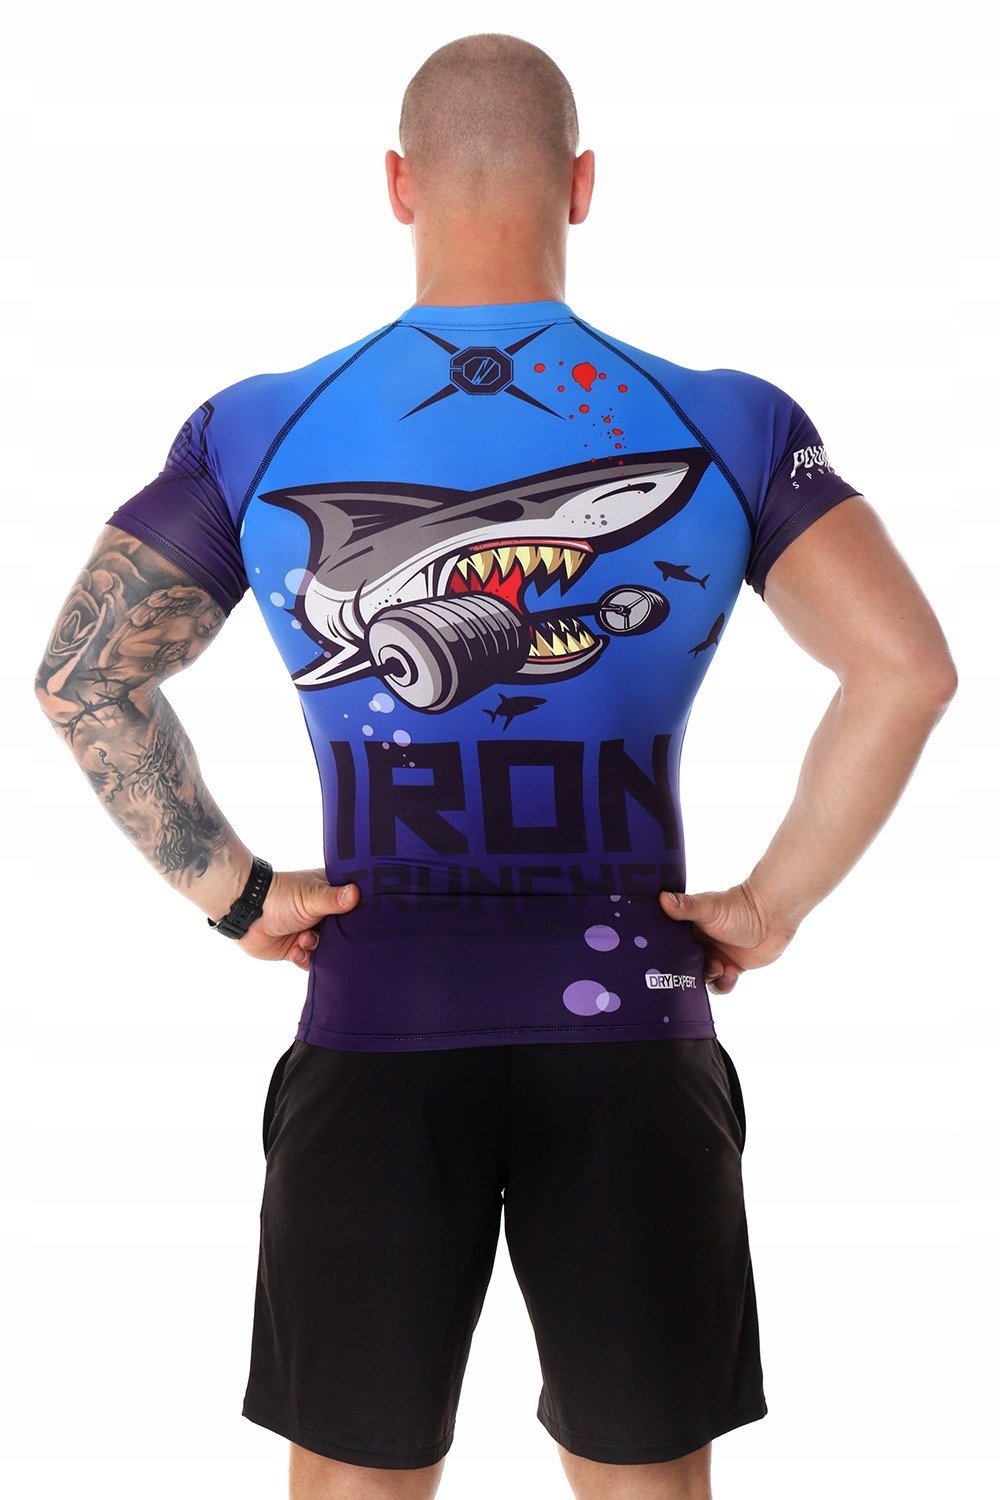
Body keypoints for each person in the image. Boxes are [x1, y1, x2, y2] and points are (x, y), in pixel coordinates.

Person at [35, 32, 956, 1500]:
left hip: (376, 1022)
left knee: (355, 1482)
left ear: (397, 185)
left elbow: (85, 676)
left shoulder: (259, 427)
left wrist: (238, 893)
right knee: (647, 1483)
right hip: (634, 1033)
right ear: (581, 185)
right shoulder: (727, 421)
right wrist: (770, 906)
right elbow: (907, 669)